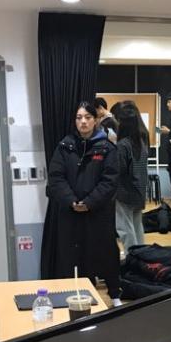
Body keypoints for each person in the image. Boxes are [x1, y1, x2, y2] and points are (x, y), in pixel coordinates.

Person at [42, 101, 121, 304]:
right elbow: (56, 177)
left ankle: (114, 295)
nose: (83, 121)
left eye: (87, 117)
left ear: (95, 120)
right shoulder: (65, 146)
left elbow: (110, 181)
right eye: (79, 118)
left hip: (98, 213)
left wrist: (89, 202)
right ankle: (73, 298)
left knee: (103, 253)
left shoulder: (107, 148)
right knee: (71, 257)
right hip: (70, 213)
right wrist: (71, 201)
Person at [114, 104, 148, 254]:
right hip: (139, 191)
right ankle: (142, 256)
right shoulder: (141, 142)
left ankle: (132, 258)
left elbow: (118, 170)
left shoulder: (122, 145)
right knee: (137, 227)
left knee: (125, 229)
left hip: (124, 193)